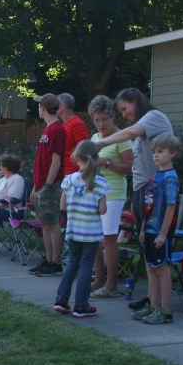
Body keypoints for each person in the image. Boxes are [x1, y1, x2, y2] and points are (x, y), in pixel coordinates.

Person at [96, 88, 174, 306]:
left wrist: (101, 143)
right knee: (146, 250)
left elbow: (129, 133)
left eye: (124, 108)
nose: (123, 114)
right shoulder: (143, 129)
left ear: (135, 101)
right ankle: (151, 299)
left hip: (155, 191)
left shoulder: (153, 117)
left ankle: (161, 306)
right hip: (143, 191)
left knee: (154, 251)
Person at [53, 140, 110, 318]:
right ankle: (81, 305)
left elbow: (62, 205)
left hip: (73, 230)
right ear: (96, 158)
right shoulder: (100, 182)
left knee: (72, 263)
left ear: (76, 157)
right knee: (86, 267)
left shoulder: (69, 180)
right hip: (91, 233)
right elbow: (102, 210)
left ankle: (61, 300)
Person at [128, 133, 180, 324]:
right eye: (154, 152)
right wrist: (143, 228)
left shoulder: (170, 178)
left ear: (172, 153)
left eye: (161, 152)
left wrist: (163, 233)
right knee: (151, 267)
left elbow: (171, 206)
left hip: (161, 231)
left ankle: (165, 311)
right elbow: (148, 206)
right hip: (149, 229)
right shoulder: (154, 177)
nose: (156, 155)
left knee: (162, 269)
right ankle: (153, 305)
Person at [87, 95, 134, 298]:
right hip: (96, 194)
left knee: (109, 238)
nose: (101, 124)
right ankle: (99, 280)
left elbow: (130, 169)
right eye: (96, 120)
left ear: (112, 117)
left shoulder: (122, 138)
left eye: (104, 119)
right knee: (95, 238)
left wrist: (107, 163)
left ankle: (112, 285)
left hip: (114, 193)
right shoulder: (95, 139)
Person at [29, 93, 66, 277]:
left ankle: (55, 262)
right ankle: (48, 259)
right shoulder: (47, 129)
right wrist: (36, 186)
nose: (38, 109)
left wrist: (48, 185)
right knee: (44, 224)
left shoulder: (57, 129)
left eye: (39, 106)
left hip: (50, 186)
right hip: (41, 185)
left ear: (43, 107)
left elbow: (56, 161)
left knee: (52, 223)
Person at [57, 93, 90, 176]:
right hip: (64, 172)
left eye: (56, 106)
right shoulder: (64, 124)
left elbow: (84, 149)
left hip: (73, 173)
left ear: (63, 107)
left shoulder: (77, 124)